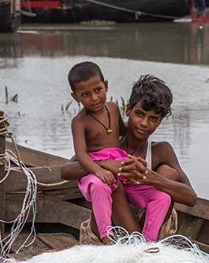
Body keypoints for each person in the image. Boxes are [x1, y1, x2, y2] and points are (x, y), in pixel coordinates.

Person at [63, 72, 197, 238]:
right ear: (128, 110)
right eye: (139, 114)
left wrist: (149, 177)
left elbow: (190, 198)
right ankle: (136, 243)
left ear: (159, 121)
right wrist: (106, 164)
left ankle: (144, 242)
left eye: (153, 119)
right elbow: (66, 171)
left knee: (168, 173)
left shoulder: (160, 151)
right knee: (113, 184)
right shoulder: (108, 141)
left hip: (149, 225)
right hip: (107, 231)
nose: (144, 124)